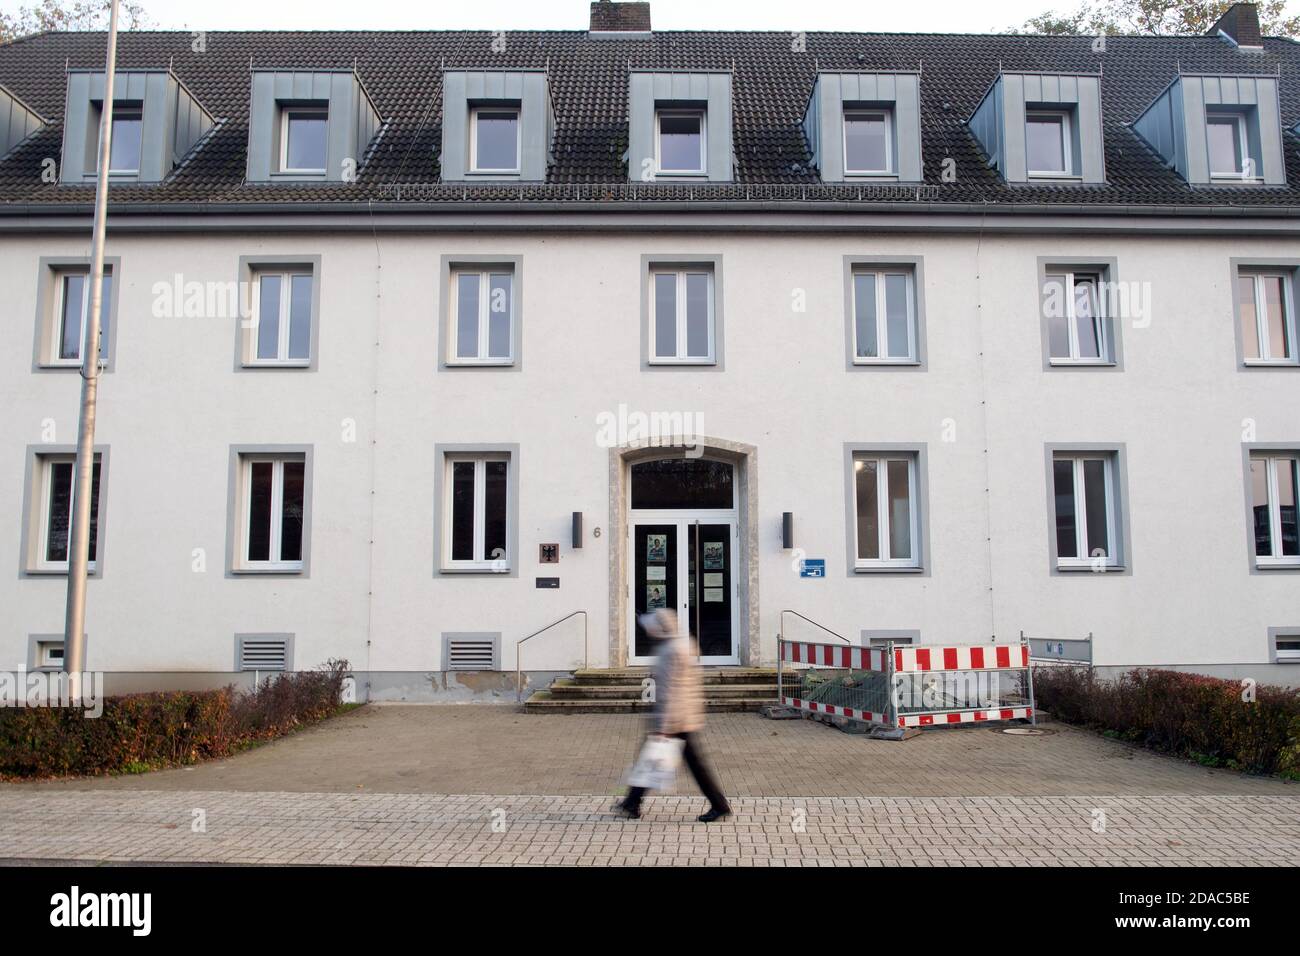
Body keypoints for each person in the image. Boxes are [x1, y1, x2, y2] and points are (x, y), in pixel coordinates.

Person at [616, 608, 732, 823]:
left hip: (676, 717)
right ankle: (632, 802)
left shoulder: (671, 650)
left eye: (651, 626)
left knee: (686, 763)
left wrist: (664, 725)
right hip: (681, 714)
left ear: (659, 627)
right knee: (654, 757)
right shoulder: (680, 644)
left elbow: (671, 689)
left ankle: (719, 804)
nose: (648, 630)